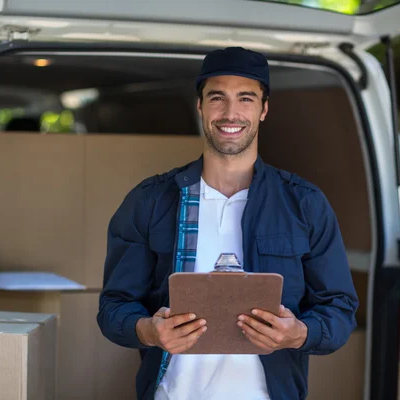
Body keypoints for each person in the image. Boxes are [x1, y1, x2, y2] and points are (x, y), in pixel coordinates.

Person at [97, 46, 359, 400]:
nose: (231, 112)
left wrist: (298, 333)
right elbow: (114, 306)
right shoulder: (151, 201)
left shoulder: (305, 204)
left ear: (264, 109)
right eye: (217, 97)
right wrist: (148, 330)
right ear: (200, 106)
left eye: (246, 98)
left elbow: (340, 309)